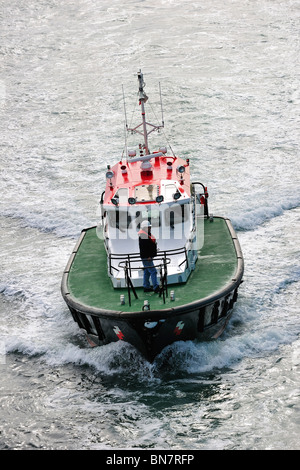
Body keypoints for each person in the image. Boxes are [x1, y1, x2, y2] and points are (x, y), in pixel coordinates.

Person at [138, 220, 160, 293]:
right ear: (144, 228)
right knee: (153, 271)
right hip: (147, 257)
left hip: (146, 257)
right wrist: (149, 256)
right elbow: (145, 248)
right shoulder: (144, 236)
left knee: (147, 271)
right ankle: (156, 287)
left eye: (150, 227)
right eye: (148, 227)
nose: (150, 228)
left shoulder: (145, 235)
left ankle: (146, 287)